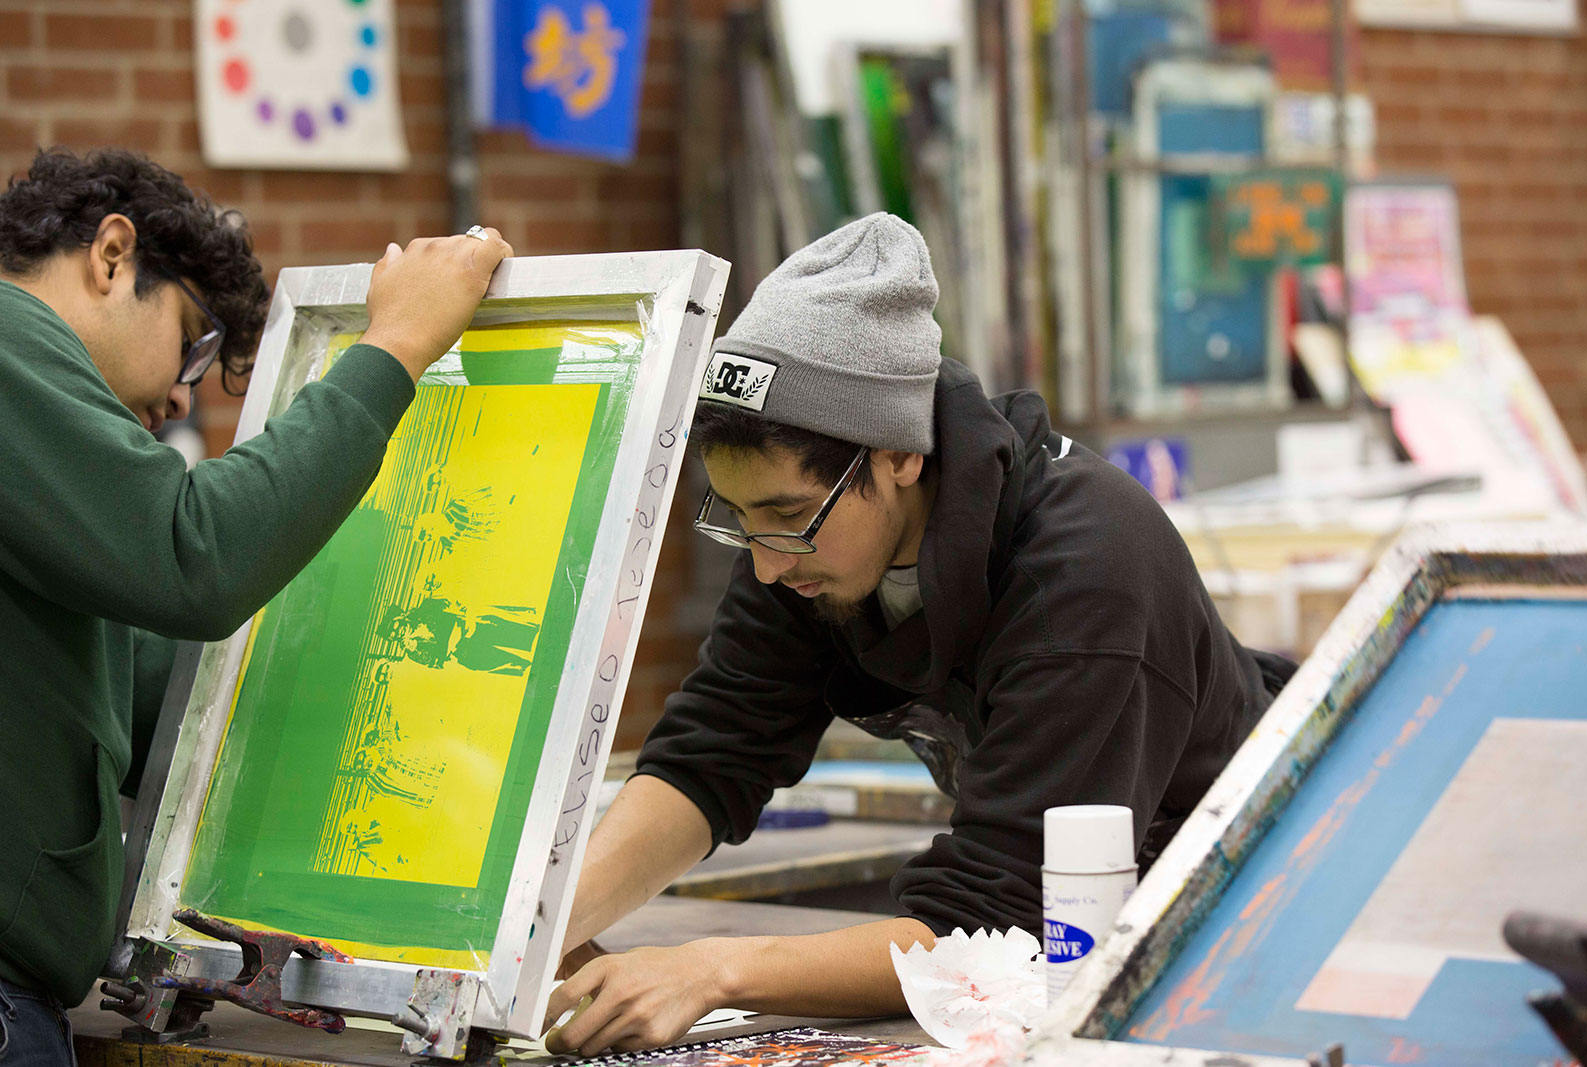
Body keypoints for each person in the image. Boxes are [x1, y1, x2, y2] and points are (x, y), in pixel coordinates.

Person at [543, 213, 1296, 1056]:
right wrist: (537, 934)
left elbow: (999, 924)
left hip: (1253, 912)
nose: (762, 565)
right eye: (739, 520)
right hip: (1062, 931)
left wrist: (713, 969)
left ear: (901, 453)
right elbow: (716, 748)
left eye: (786, 517)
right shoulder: (805, 546)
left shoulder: (1087, 574)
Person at [0, 147, 511, 1067]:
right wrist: (394, 347)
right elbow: (194, 556)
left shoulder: (51, 498)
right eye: (194, 339)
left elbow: (173, 701)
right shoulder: (6, 345)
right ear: (113, 255)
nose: (183, 395)